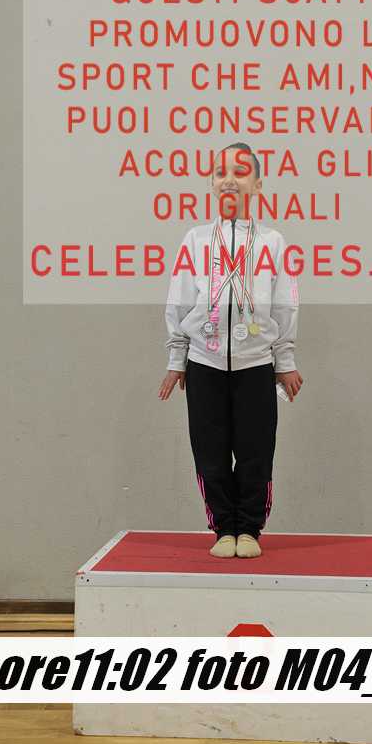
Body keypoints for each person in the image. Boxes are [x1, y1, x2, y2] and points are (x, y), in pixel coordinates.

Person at [158, 142, 303, 558]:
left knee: (257, 451)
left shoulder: (273, 242)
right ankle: (223, 527)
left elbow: (285, 304)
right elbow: (179, 300)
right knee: (210, 451)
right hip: (203, 361)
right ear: (211, 182)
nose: (229, 179)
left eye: (240, 172)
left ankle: (250, 529)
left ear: (257, 184)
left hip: (256, 362)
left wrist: (285, 360)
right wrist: (176, 358)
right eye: (221, 172)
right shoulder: (196, 240)